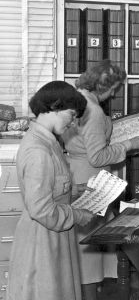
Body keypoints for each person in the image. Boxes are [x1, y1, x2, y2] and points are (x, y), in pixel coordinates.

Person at [61, 60, 139, 300]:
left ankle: (86, 292)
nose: (116, 93)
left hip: (76, 171)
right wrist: (129, 144)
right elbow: (97, 157)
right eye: (115, 88)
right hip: (91, 179)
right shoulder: (95, 111)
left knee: (83, 245)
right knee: (90, 247)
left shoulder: (76, 99)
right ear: (104, 86)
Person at [8, 81, 95, 300]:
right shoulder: (39, 150)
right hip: (42, 241)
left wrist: (77, 190)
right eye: (72, 115)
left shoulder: (48, 142)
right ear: (55, 107)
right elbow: (42, 209)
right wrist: (78, 214)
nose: (73, 123)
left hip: (52, 235)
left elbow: (52, 185)